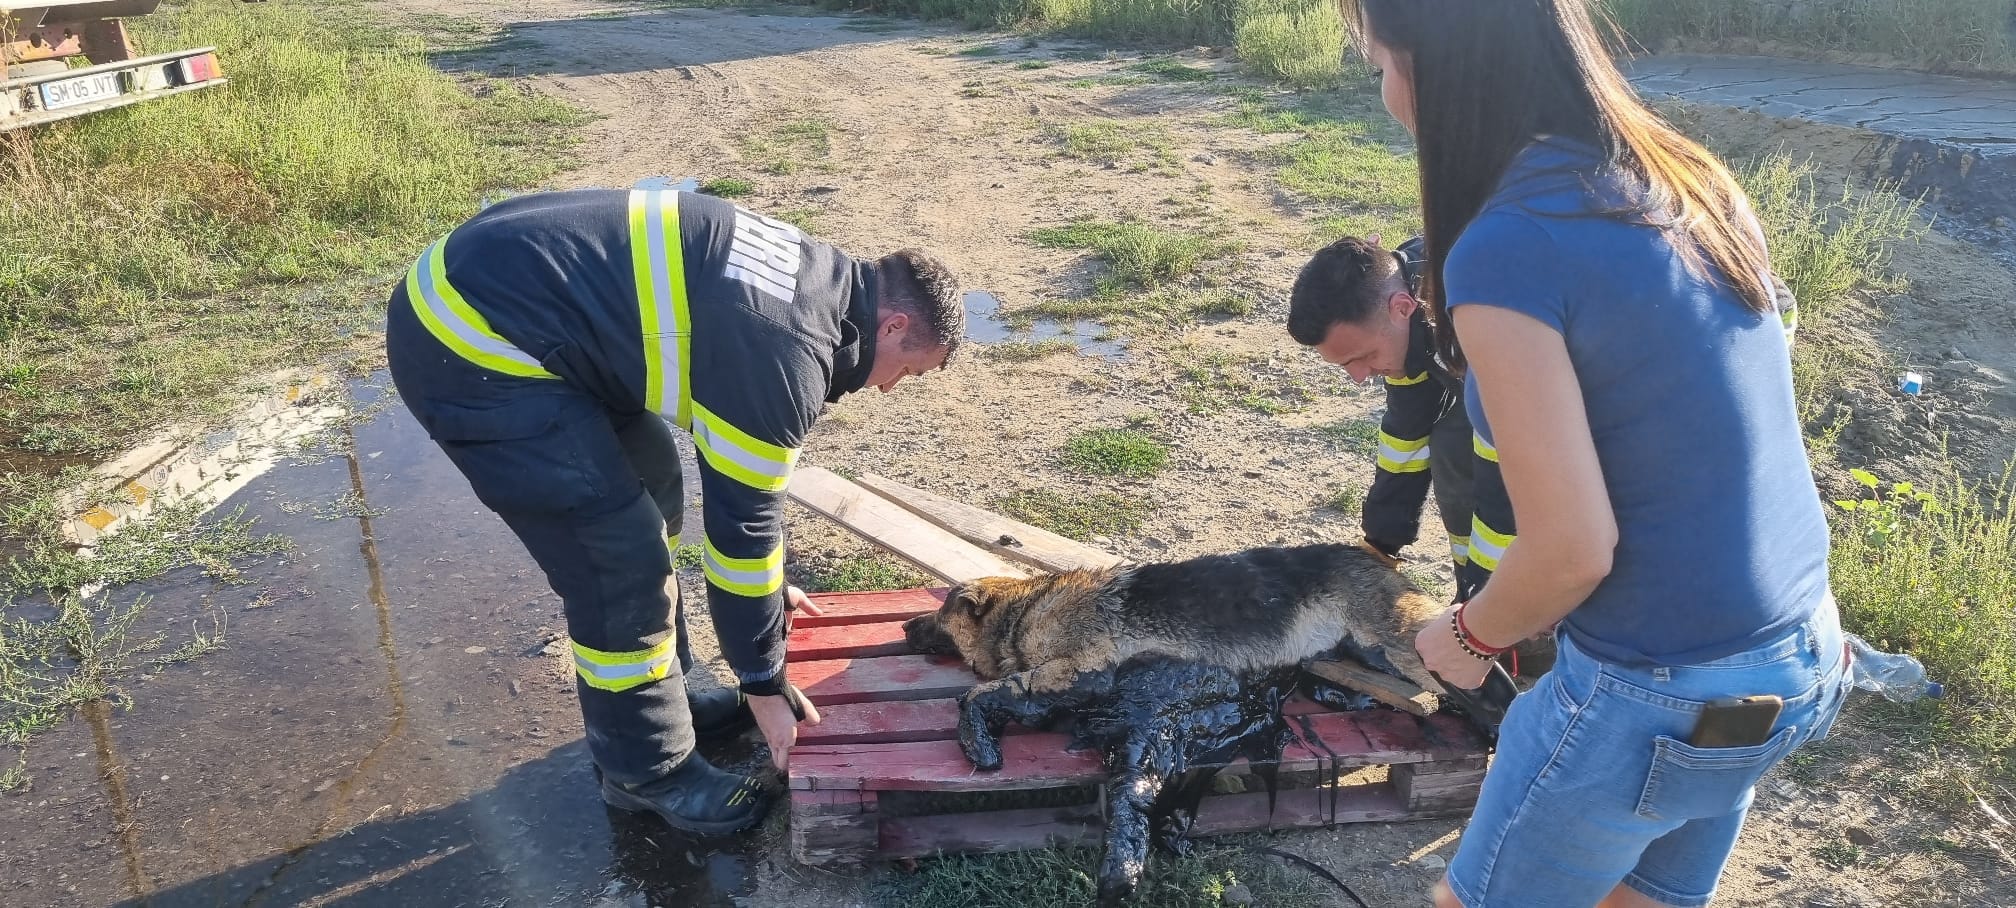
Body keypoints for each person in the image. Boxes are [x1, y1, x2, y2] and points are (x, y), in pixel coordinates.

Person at [1338, 2, 1851, 906]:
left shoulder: (1505, 249)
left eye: (1379, 62)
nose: (1383, 92)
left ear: (1434, 68)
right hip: (1801, 655)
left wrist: (1464, 638)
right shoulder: (1690, 179)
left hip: (1656, 688)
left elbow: (1573, 548)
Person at [383, 187, 963, 836]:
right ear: (894, 327)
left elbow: (746, 520)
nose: (887, 388)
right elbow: (743, 534)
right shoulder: (786, 357)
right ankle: (647, 771)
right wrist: (763, 683)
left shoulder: (817, 283)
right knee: (617, 559)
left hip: (514, 299)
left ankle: (672, 692)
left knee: (651, 475)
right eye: (907, 372)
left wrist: (763, 595)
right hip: (468, 343)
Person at [1288, 234, 1554, 678]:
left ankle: (1527, 639)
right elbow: (1405, 437)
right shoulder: (1407, 308)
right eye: (1344, 366)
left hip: (1608, 408)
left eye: (1364, 357)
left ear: (1402, 308)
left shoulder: (1484, 324)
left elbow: (1501, 486)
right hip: (1508, 398)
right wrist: (1380, 544)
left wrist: (1483, 622)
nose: (1358, 378)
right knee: (1453, 443)